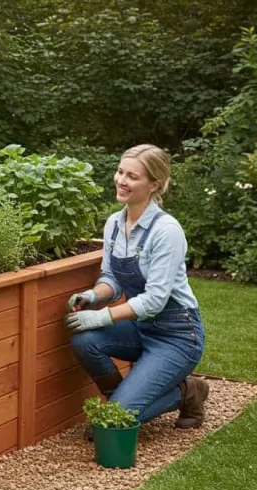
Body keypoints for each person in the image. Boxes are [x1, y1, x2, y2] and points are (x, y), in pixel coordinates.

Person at [64, 144, 207, 440]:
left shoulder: (166, 231)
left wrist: (102, 316)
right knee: (85, 340)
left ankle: (186, 390)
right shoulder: (115, 224)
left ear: (154, 185)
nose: (121, 181)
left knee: (110, 423)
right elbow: (112, 278)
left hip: (177, 335)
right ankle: (126, 404)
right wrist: (93, 296)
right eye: (120, 172)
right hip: (141, 328)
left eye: (132, 176)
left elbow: (155, 300)